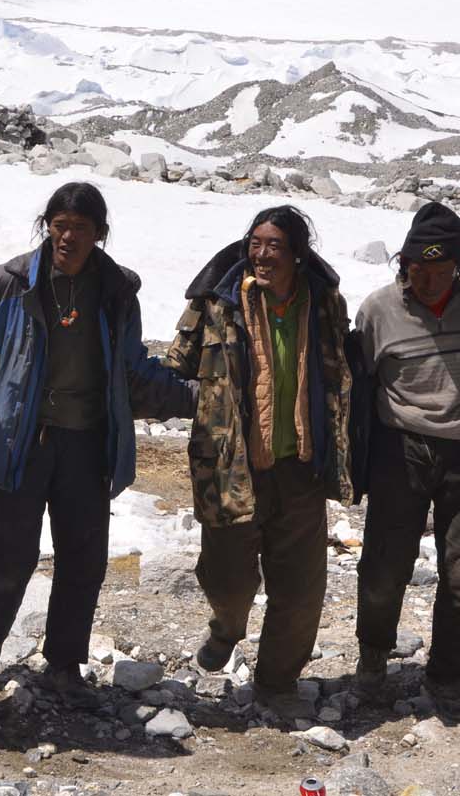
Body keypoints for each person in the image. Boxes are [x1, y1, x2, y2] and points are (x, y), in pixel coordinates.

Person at [0, 182, 195, 704]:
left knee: (83, 557)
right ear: (47, 227)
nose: (68, 237)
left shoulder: (116, 290)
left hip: (87, 441)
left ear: (99, 233)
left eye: (81, 228)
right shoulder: (11, 281)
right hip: (21, 439)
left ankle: (64, 663)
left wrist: (197, 395)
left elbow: (132, 366)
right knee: (11, 547)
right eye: (60, 225)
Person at [163, 206, 354, 719]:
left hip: (301, 468)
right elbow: (177, 366)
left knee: (300, 589)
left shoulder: (324, 303)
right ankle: (227, 627)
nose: (262, 255)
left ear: (298, 254)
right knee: (227, 578)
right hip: (232, 467)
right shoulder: (217, 303)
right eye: (256, 243)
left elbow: (341, 371)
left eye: (274, 246)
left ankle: (277, 683)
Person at [352, 201, 460, 722]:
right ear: (404, 264)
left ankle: (448, 675)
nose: (429, 282)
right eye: (418, 270)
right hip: (401, 450)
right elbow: (359, 380)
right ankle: (373, 656)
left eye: (442, 272)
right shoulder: (378, 310)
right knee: (384, 566)